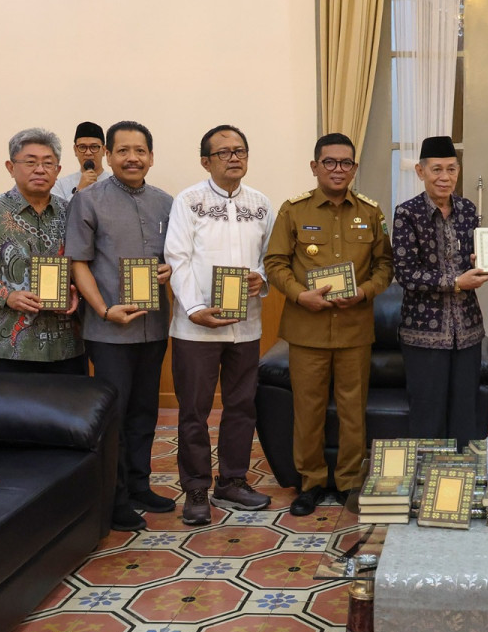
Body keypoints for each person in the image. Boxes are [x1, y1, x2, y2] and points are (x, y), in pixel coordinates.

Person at [265, 133, 393, 516]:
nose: (338, 170)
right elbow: (275, 263)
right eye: (330, 162)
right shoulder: (294, 210)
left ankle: (350, 482)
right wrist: (300, 294)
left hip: (355, 328)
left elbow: (385, 266)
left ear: (354, 168)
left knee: (354, 410)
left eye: (346, 163)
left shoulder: (371, 212)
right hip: (307, 329)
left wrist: (366, 292)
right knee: (309, 410)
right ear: (315, 166)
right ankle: (311, 483)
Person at [65, 120, 174, 532]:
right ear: (108, 156)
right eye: (123, 150)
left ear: (150, 156)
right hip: (109, 330)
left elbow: (177, 257)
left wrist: (168, 268)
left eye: (140, 150)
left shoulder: (167, 202)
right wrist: (103, 309)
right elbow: (78, 262)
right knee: (115, 414)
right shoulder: (88, 200)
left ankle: (140, 485)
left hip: (153, 326)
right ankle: (114, 499)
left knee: (146, 411)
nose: (132, 158)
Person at [165, 125, 273, 525]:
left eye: (240, 150)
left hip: (246, 326)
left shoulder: (261, 204)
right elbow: (177, 256)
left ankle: (232, 479)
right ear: (206, 161)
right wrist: (194, 308)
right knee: (194, 409)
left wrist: (263, 277)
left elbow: (271, 256)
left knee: (242, 405)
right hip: (196, 328)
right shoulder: (189, 201)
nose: (234, 157)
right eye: (224, 152)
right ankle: (195, 487)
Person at [0, 128, 85, 373]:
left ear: (57, 171)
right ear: (10, 167)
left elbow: (83, 264)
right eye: (30, 162)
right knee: (14, 412)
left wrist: (75, 289)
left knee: (70, 410)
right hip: (12, 345)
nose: (40, 169)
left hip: (66, 342)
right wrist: (7, 295)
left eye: (48, 163)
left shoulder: (71, 212)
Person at [391, 135, 488, 447]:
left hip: (468, 331)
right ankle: (428, 487)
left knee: (465, 413)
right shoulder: (407, 214)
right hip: (423, 333)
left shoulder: (468, 210)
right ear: (421, 172)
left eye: (450, 169)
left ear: (458, 171)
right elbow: (406, 273)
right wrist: (457, 282)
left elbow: (476, 257)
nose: (444, 177)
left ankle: (461, 483)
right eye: (436, 170)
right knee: (428, 414)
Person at [52, 121, 112, 201]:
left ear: (104, 150)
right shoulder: (61, 185)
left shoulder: (114, 183)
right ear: (75, 150)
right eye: (82, 147)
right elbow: (59, 212)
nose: (88, 153)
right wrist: (79, 190)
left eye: (94, 147)